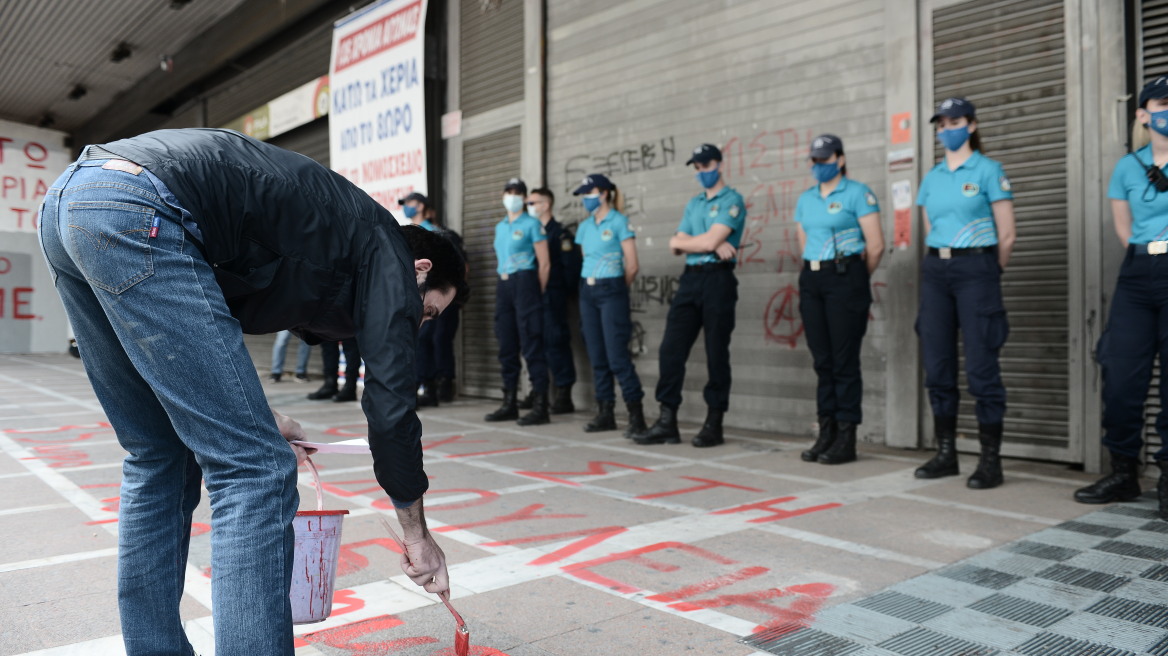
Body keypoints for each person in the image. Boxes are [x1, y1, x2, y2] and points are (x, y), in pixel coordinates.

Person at [37, 128, 467, 656]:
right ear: (420, 270)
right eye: (426, 312)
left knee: (158, 456)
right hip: (138, 207)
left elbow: (200, 329)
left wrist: (255, 416)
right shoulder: (387, 252)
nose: (415, 325)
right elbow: (391, 407)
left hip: (71, 206)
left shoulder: (332, 239)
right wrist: (418, 537)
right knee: (255, 469)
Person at [914, 97, 1016, 490]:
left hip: (977, 269)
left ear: (971, 125)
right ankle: (946, 454)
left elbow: (1007, 233)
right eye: (941, 124)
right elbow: (929, 226)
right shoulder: (932, 177)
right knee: (937, 365)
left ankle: (990, 460)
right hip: (936, 270)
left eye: (954, 121)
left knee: (981, 368)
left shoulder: (989, 170)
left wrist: (987, 270)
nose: (946, 129)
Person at [1079, 76, 1168, 519]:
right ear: (1143, 113)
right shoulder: (1127, 167)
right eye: (1164, 102)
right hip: (1137, 272)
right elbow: (1123, 227)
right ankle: (1123, 472)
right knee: (1120, 372)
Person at [633, 144, 746, 448]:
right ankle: (667, 421)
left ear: (719, 165)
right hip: (691, 280)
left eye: (705, 165)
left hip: (718, 280)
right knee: (671, 349)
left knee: (716, 353)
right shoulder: (694, 204)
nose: (701, 172)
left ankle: (714, 422)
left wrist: (697, 242)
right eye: (696, 167)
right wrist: (706, 243)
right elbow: (674, 243)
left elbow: (700, 240)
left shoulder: (732, 200)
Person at [795, 135, 884, 465]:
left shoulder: (858, 193)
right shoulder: (805, 199)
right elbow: (804, 241)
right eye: (814, 160)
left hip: (845, 277)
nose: (819, 166)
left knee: (844, 361)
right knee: (823, 361)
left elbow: (875, 246)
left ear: (840, 159)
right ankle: (826, 432)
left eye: (825, 159)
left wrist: (854, 277)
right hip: (813, 278)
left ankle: (847, 438)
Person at [572, 174, 646, 435]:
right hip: (587, 291)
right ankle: (605, 413)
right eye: (582, 194)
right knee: (597, 355)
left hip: (611, 289)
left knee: (617, 356)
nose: (585, 199)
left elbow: (632, 265)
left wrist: (615, 290)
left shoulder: (619, 221)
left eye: (588, 193)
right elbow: (586, 259)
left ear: (603, 193)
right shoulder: (584, 227)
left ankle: (636, 415)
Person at [483, 178, 552, 425]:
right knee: (506, 343)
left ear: (524, 198)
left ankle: (541, 404)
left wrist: (535, 291)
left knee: (531, 341)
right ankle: (509, 402)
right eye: (508, 192)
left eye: (517, 192)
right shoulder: (501, 226)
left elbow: (544, 263)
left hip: (526, 282)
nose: (512, 196)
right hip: (504, 284)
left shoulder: (532, 224)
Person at [401, 192, 463, 407]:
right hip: (423, 295)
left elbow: (457, 271)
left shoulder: (440, 236)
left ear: (421, 206)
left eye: (410, 203)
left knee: (436, 340)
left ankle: (439, 384)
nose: (406, 207)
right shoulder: (405, 236)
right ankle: (424, 384)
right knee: (422, 341)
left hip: (436, 295)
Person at [522, 187, 579, 414]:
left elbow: (570, 268)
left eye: (532, 203)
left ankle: (564, 393)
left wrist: (562, 293)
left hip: (552, 294)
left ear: (545, 205)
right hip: (531, 294)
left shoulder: (559, 234)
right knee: (535, 342)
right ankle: (539, 390)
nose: (529, 207)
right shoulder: (529, 230)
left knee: (555, 341)